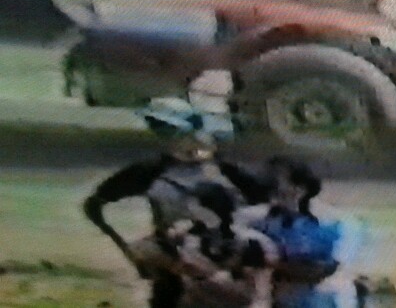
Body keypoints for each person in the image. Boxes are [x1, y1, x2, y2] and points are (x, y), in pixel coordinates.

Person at [84, 98, 271, 308]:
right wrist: (131, 253)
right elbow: (94, 205)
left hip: (225, 270)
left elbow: (267, 206)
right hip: (175, 268)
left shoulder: (227, 171)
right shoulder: (150, 172)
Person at [237, 156, 364, 308]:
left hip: (325, 298)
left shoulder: (338, 223)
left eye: (278, 187)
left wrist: (271, 260)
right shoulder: (257, 220)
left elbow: (322, 271)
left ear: (301, 189)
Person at [163, 181, 278, 308]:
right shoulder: (189, 236)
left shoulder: (248, 241)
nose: (191, 211)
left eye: (196, 208)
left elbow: (262, 295)